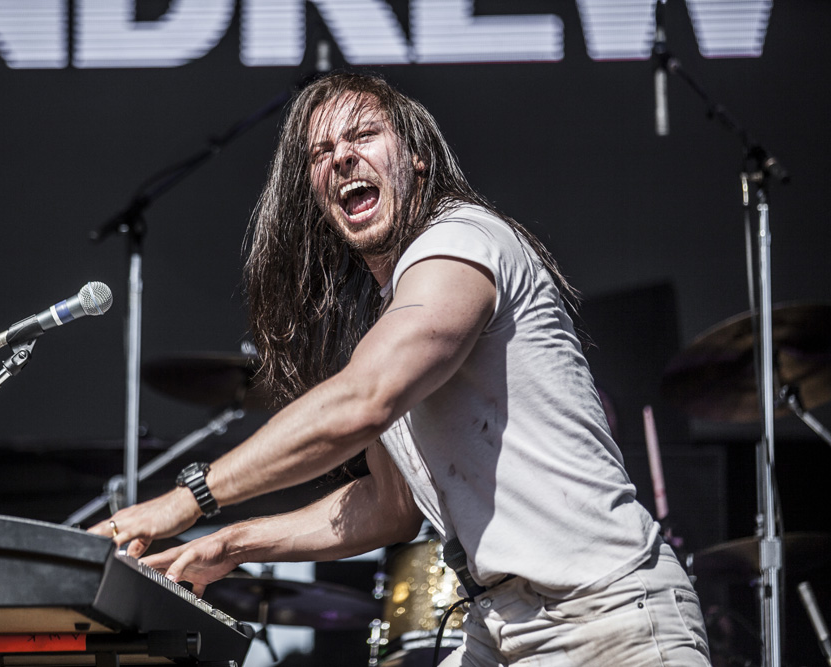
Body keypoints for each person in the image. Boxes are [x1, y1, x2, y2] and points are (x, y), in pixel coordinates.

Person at [91, 71, 711, 665]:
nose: (341, 157)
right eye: (321, 152)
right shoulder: (390, 323)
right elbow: (390, 508)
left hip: (608, 618)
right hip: (506, 629)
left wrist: (188, 500)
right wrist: (231, 542)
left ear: (415, 156)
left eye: (363, 135)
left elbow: (363, 399)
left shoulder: (461, 242)